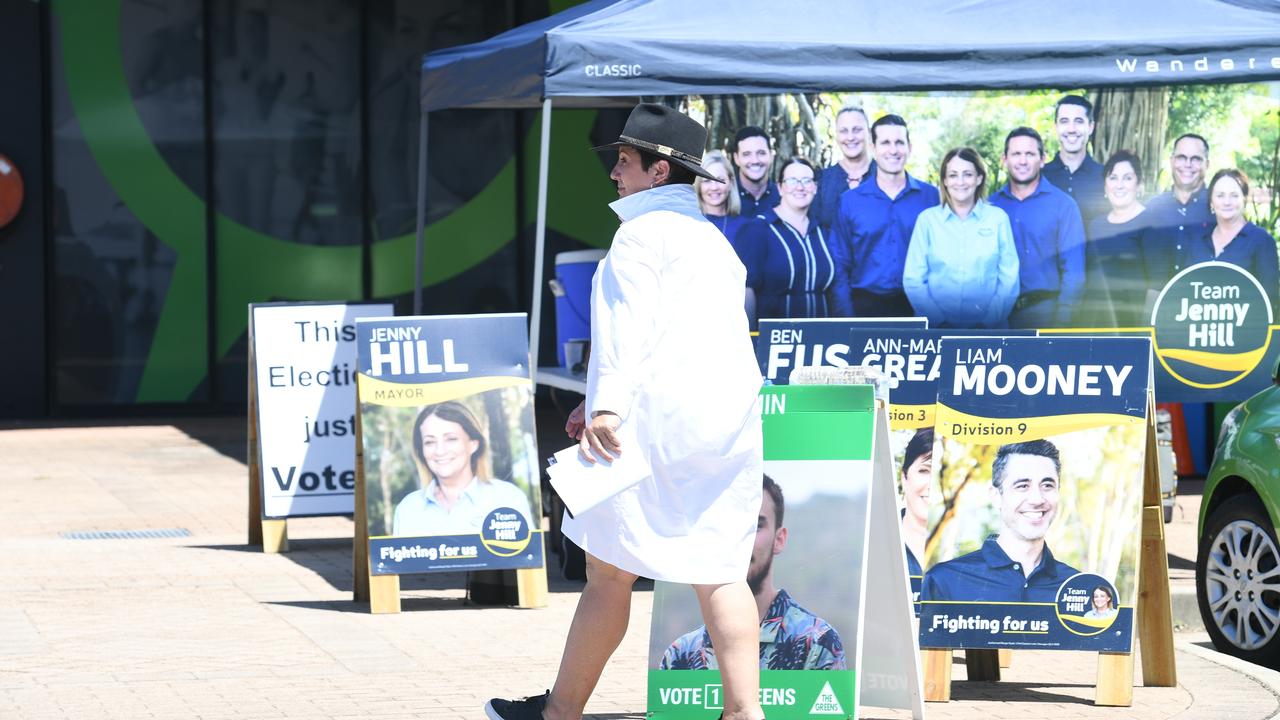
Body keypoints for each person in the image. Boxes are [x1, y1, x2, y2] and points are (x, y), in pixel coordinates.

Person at [485, 104, 766, 720]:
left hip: (651, 426)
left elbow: (627, 330)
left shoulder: (639, 235)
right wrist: (601, 397)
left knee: (607, 574)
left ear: (658, 170)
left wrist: (605, 407)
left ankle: (560, 713)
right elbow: (691, 335)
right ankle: (746, 712)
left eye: (624, 160)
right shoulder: (714, 241)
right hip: (725, 423)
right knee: (719, 567)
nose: (615, 172)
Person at [660, 475, 846, 671]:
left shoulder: (817, 643)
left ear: (779, 539)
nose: (740, 540)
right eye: (727, 526)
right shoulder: (680, 655)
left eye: (755, 526)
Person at [920, 440, 1080, 604]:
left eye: (1047, 485)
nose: (1037, 499)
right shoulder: (945, 582)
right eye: (1022, 485)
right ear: (996, 496)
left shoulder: (1079, 589)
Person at [831, 114, 940, 317]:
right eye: (885, 143)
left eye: (899, 142)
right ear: (873, 148)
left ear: (910, 147)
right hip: (865, 306)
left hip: (919, 306)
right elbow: (840, 265)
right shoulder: (850, 201)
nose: (893, 150)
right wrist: (845, 317)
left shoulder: (931, 197)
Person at [902, 147, 1019, 328]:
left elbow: (1009, 278)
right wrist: (939, 322)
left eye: (968, 174)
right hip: (936, 331)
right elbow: (913, 279)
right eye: (953, 175)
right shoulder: (927, 221)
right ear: (945, 181)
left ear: (979, 178)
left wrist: (987, 323)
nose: (961, 182)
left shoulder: (998, 219)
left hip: (989, 332)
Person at [990, 127, 1086, 329]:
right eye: (1016, 154)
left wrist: (1061, 324)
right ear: (1004, 159)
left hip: (1046, 315)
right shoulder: (990, 207)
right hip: (996, 318)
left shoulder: (1063, 206)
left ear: (1042, 159)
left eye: (1030, 154)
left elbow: (1074, 274)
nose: (1022, 161)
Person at [392, 401, 532, 537]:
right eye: (429, 442)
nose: (440, 451)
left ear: (473, 444)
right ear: (421, 450)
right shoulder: (408, 509)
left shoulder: (507, 498)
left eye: (451, 439)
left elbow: (528, 558)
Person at [732, 157, 842, 324]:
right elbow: (747, 290)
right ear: (780, 188)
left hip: (821, 340)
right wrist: (751, 338)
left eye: (807, 180)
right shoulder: (758, 229)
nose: (800, 187)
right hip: (774, 340)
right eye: (792, 181)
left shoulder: (821, 232)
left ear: (815, 188)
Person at [1185, 169, 1280, 308]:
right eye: (1220, 195)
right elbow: (1185, 292)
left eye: (1234, 195)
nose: (1227, 202)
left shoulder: (1262, 241)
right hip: (1200, 327)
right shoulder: (1198, 241)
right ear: (1211, 201)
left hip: (1247, 327)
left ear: (1244, 198)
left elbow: (1270, 301)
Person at [1079, 150, 1151, 327]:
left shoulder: (1151, 222)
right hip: (1094, 323)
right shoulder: (1095, 225)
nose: (1119, 185)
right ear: (1105, 186)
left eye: (1127, 178)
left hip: (1133, 324)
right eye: (1113, 178)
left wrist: (1145, 332)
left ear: (1139, 184)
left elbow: (1156, 287)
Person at [1142, 133, 1213, 286]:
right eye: (1181, 157)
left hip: (1203, 304)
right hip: (1158, 304)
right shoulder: (1152, 209)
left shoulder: (1219, 209)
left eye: (1196, 159)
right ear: (1172, 161)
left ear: (1207, 164)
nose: (1187, 164)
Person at [1041, 95, 1107, 231]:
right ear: (1056, 127)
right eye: (1064, 121)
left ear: (1090, 127)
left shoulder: (1106, 177)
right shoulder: (1040, 177)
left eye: (1078, 121)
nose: (1071, 129)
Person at [810, 106, 875, 232]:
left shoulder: (885, 177)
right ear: (836, 136)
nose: (850, 137)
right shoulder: (822, 181)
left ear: (869, 133)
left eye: (857, 130)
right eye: (844, 131)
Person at [899, 428, 933, 593]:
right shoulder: (878, 539)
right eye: (925, 470)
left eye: (941, 471)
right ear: (904, 478)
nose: (933, 483)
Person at [696, 150, 747, 243]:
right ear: (699, 185)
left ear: (731, 183)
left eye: (720, 180)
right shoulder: (687, 222)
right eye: (707, 180)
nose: (714, 187)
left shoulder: (745, 227)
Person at [733, 125, 780, 218]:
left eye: (761, 153)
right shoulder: (724, 196)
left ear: (771, 156)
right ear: (736, 158)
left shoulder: (783, 197)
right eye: (746, 154)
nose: (755, 161)